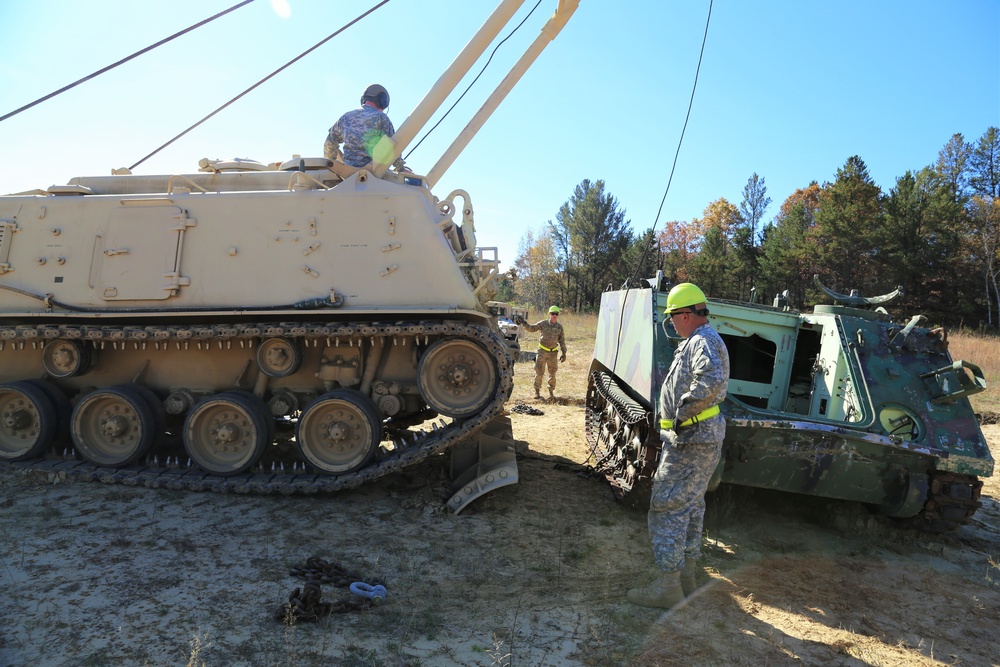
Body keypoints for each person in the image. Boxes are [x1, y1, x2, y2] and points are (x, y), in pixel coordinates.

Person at [627, 283, 730, 610]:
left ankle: (667, 587)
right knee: (689, 505)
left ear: (687, 315)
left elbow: (709, 381)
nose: (671, 321)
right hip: (700, 437)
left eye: (673, 315)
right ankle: (686, 578)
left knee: (668, 506)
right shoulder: (702, 340)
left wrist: (682, 416)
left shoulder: (702, 342)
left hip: (691, 438)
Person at [323, 84, 395, 168]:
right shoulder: (381, 118)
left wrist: (331, 167)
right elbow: (392, 146)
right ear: (382, 101)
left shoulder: (345, 117)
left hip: (347, 173)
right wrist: (401, 168)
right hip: (372, 175)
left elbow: (330, 142)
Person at [516, 306, 566, 400]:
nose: (554, 315)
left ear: (558, 315)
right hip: (542, 352)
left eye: (556, 314)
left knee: (552, 373)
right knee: (539, 372)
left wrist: (564, 353)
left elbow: (562, 341)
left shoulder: (559, 327)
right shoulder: (543, 323)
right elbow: (531, 328)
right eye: (552, 313)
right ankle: (537, 392)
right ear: (549, 314)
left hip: (553, 353)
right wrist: (524, 323)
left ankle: (551, 393)